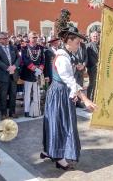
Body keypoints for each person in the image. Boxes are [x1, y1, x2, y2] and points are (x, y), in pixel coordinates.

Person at [42, 26, 96, 170]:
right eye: (77, 42)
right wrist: (85, 99)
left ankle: (52, 151)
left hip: (62, 93)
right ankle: (59, 157)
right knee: (61, 124)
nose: (79, 45)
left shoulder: (67, 55)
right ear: (69, 41)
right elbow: (71, 81)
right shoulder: (62, 59)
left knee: (60, 122)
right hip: (59, 94)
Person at [0, 32, 20, 119]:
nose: (6, 40)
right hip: (3, 75)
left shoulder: (13, 47)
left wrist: (14, 66)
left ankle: (12, 112)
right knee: (3, 95)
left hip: (13, 74)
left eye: (7, 38)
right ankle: (3, 114)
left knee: (13, 94)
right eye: (4, 38)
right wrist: (7, 68)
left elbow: (19, 58)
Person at [20, 31, 45, 117]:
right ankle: (27, 111)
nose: (34, 39)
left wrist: (40, 68)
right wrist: (34, 69)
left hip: (38, 73)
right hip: (28, 73)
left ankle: (36, 110)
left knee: (36, 92)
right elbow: (25, 59)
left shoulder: (40, 48)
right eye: (33, 37)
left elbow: (42, 59)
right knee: (27, 93)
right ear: (29, 38)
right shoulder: (24, 48)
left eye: (35, 37)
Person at [86, 30, 100, 101]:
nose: (95, 37)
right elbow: (89, 57)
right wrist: (96, 64)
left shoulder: (99, 45)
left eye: (97, 36)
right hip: (92, 68)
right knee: (92, 84)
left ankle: (94, 98)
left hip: (98, 68)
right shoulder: (89, 46)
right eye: (94, 36)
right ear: (91, 37)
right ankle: (89, 99)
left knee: (96, 84)